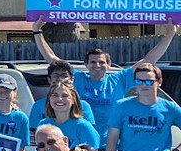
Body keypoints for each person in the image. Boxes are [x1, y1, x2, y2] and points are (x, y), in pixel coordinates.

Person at [34, 21, 177, 140]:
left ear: (108, 64)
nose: (97, 65)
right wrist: (37, 31)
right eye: (93, 62)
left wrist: (170, 34)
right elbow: (52, 59)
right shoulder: (77, 79)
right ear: (86, 65)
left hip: (111, 143)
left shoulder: (119, 79)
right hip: (80, 140)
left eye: (102, 62)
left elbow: (149, 60)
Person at [107, 62, 181, 151]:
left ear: (159, 82)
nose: (143, 85)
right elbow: (112, 138)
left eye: (149, 82)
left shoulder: (170, 108)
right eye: (139, 81)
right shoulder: (121, 106)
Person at [38, 81, 101, 150]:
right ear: (49, 99)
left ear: (73, 100)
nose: (59, 99)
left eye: (65, 96)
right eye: (55, 95)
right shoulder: (43, 124)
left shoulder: (83, 127)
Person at [27, 61, 95, 125]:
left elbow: (89, 133)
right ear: (49, 80)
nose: (60, 78)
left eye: (64, 75)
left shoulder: (83, 106)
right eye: (56, 75)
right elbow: (33, 133)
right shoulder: (38, 106)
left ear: (72, 79)